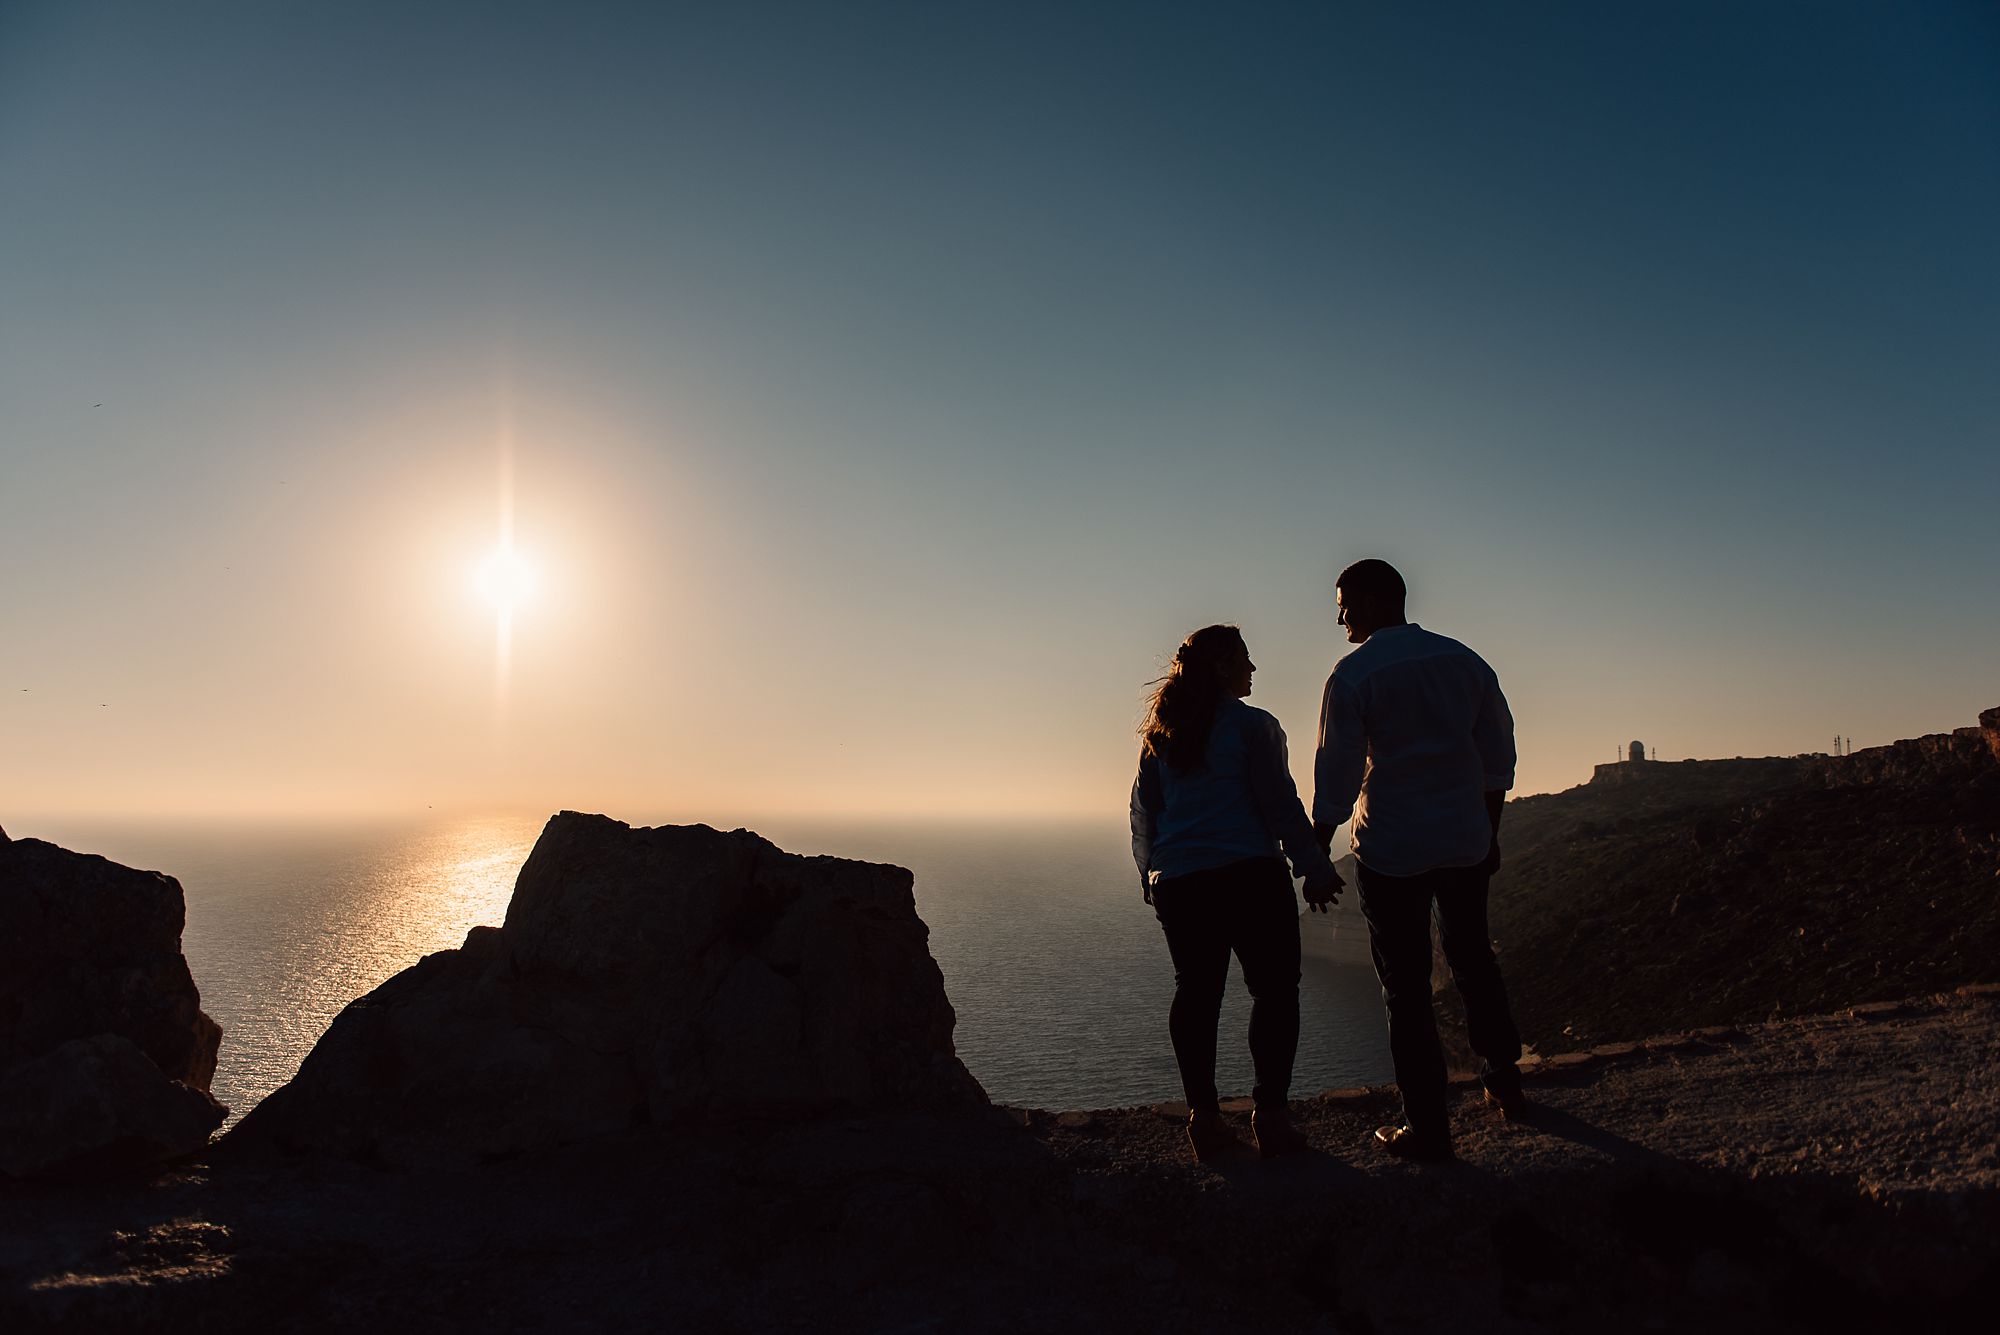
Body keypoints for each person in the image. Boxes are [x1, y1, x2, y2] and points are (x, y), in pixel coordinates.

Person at [1311, 559, 1528, 1162]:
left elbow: (1338, 772)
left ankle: (1427, 1126)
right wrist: (1489, 833)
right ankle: (1505, 1083)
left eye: (1344, 604)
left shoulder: (1353, 675)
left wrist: (1315, 851)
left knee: (1404, 989)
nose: (1339, 617)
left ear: (1378, 601)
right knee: (1473, 959)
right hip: (1464, 840)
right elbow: (1497, 759)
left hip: (1393, 849)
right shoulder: (1465, 662)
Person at [1130, 624, 1344, 1162]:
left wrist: (1150, 873)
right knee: (1274, 992)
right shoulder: (1254, 727)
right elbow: (1280, 803)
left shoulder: (1162, 734)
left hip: (1180, 882)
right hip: (1249, 875)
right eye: (1245, 659)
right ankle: (1270, 1116)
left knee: (1196, 992)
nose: (1253, 669)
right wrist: (1315, 867)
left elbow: (1145, 814)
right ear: (1224, 666)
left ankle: (1204, 1120)